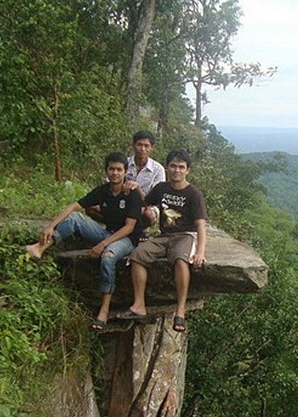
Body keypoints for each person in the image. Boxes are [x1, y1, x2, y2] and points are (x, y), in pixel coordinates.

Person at [25, 152, 144, 330]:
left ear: (125, 172)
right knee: (74, 218)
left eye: (119, 169)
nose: (115, 173)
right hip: (107, 233)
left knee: (108, 257)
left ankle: (104, 310)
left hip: (127, 239)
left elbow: (129, 227)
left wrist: (103, 245)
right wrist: (51, 226)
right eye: (111, 169)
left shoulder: (131, 194)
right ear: (106, 171)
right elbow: (74, 206)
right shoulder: (103, 191)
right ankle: (40, 247)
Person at [118, 149, 207, 332]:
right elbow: (145, 202)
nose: (177, 171)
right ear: (167, 167)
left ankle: (180, 311)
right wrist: (134, 188)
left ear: (188, 170)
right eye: (173, 166)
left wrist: (200, 252)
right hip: (164, 236)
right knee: (137, 255)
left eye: (181, 167)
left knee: (180, 260)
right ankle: (139, 305)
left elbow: (200, 226)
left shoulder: (193, 194)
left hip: (185, 236)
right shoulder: (161, 189)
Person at [126, 130, 165, 228]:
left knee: (149, 215)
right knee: (93, 208)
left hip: (147, 206)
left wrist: (137, 188)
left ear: (152, 148)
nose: (142, 149)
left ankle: (141, 230)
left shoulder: (158, 169)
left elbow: (156, 200)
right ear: (133, 145)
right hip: (122, 201)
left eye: (146, 146)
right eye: (139, 144)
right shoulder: (124, 163)